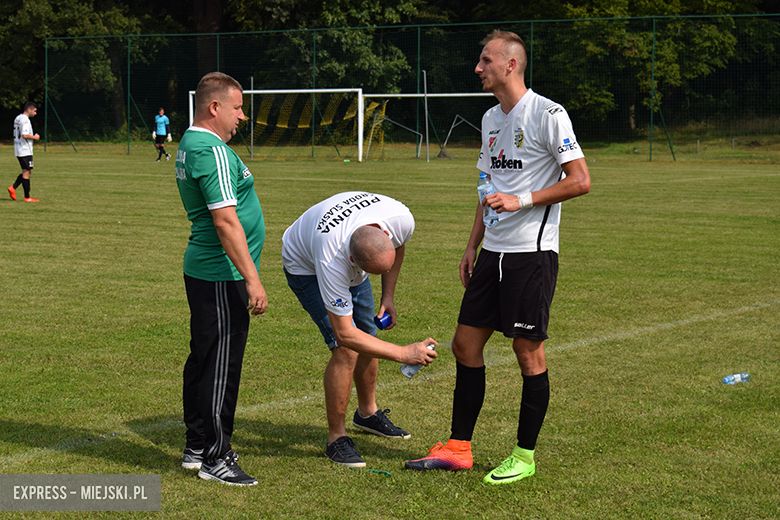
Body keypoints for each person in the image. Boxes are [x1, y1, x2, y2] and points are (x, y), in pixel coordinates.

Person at [405, 30, 591, 485]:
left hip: (532, 254)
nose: (478, 68)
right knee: (466, 346)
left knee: (528, 353)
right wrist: (472, 244)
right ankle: (459, 448)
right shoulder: (489, 118)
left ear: (511, 65)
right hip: (492, 254)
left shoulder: (549, 114)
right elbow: (487, 189)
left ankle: (524, 456)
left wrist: (522, 199)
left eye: (485, 60)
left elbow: (581, 180)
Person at [282, 192, 438, 468]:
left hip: (349, 251)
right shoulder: (332, 260)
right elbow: (345, 334)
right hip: (305, 266)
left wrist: (387, 295)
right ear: (353, 260)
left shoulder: (400, 218)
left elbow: (397, 246)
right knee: (346, 349)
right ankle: (336, 439)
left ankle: (367, 414)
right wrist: (403, 353)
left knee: (368, 334)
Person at [175, 72, 268, 486]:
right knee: (220, 364)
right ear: (215, 108)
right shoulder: (209, 150)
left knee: (203, 357)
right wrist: (253, 279)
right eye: (237, 107)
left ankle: (197, 444)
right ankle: (216, 456)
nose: (242, 116)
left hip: (207, 271)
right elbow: (225, 220)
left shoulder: (193, 144)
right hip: (221, 273)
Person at [8, 102, 40, 202]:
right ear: (29, 110)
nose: (35, 113)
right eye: (34, 111)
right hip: (25, 149)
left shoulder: (18, 118)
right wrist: (34, 137)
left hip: (18, 148)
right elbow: (25, 135)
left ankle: (13, 188)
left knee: (27, 171)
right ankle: (27, 197)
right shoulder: (25, 120)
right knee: (26, 172)